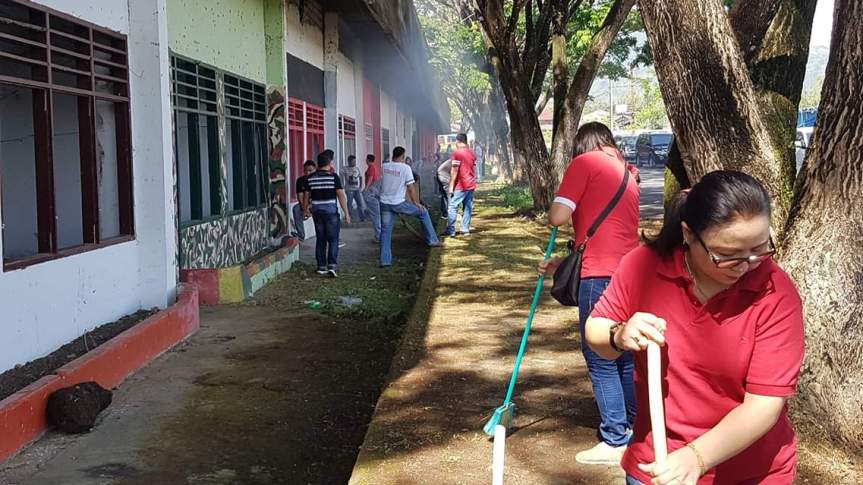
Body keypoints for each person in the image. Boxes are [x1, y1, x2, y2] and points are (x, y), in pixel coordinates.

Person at [584, 171, 803, 485]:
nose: (746, 265)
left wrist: (697, 457)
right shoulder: (644, 266)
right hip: (657, 464)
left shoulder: (776, 292)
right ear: (688, 234)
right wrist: (618, 335)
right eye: (726, 255)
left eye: (758, 249)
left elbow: (764, 404)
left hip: (751, 473)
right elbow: (596, 331)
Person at [538, 122, 641, 465]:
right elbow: (609, 229)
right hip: (631, 273)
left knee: (599, 354)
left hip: (599, 275)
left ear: (582, 145)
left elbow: (557, 216)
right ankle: (633, 428)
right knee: (623, 351)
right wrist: (563, 263)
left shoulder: (584, 163)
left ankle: (615, 439)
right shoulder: (628, 171)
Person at [379, 146, 441, 267]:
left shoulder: (384, 166)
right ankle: (433, 240)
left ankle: (385, 261)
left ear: (393, 155)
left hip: (384, 203)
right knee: (423, 212)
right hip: (398, 203)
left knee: (386, 232)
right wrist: (416, 203)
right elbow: (411, 188)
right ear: (402, 156)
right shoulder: (406, 168)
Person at [307, 152, 351, 277]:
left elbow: (307, 195)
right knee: (333, 239)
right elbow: (341, 195)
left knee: (320, 239)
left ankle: (321, 266)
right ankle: (332, 265)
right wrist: (346, 213)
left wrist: (305, 209)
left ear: (318, 163)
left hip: (317, 212)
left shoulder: (311, 178)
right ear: (329, 163)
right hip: (330, 212)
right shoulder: (333, 177)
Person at [444, 133, 477, 237]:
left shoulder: (457, 153)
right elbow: (474, 169)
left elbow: (454, 170)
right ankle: (465, 230)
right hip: (470, 184)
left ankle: (451, 230)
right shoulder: (472, 152)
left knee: (452, 207)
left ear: (458, 141)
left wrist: (451, 186)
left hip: (460, 185)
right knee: (467, 207)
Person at [291, 160, 317, 240]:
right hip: (305, 204)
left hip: (316, 203)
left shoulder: (318, 179)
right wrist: (305, 209)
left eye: (310, 170)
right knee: (296, 209)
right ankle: (301, 235)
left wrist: (310, 206)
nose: (307, 172)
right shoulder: (300, 180)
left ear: (315, 169)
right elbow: (300, 196)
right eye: (305, 170)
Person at [341, 155, 366, 222]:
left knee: (360, 203)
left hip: (357, 189)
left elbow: (360, 177)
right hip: (349, 189)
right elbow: (341, 177)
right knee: (349, 204)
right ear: (349, 161)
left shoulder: (357, 168)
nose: (354, 163)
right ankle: (350, 217)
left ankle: (362, 218)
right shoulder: (345, 169)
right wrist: (342, 187)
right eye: (353, 161)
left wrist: (360, 187)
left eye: (355, 161)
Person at [364, 154, 382, 242]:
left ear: (367, 160)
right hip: (375, 191)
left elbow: (370, 178)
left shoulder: (371, 167)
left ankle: (379, 236)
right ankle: (379, 235)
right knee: (376, 214)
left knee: (375, 215)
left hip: (371, 191)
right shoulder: (375, 167)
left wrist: (366, 189)